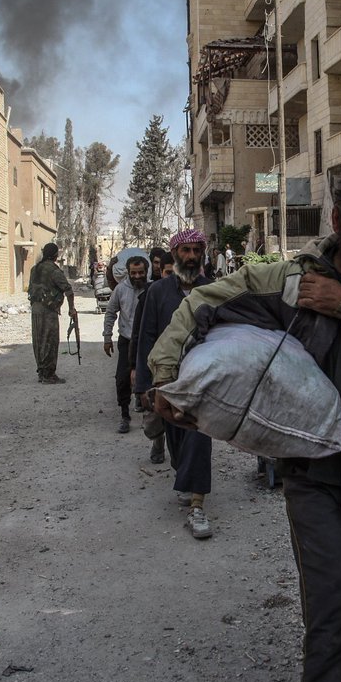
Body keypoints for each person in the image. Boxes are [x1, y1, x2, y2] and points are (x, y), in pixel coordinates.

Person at [148, 170, 341, 682]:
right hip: (313, 478)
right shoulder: (293, 281)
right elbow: (201, 304)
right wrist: (164, 374)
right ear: (337, 221)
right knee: (334, 604)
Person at [134, 229, 215, 539]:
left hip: (203, 377)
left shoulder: (213, 289)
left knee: (199, 432)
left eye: (196, 250)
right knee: (176, 437)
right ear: (175, 254)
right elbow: (147, 338)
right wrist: (144, 384)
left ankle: (196, 504)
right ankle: (184, 472)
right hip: (167, 378)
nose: (191, 256)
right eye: (186, 251)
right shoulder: (158, 292)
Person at [132, 257, 173, 463]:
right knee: (155, 415)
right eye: (167, 272)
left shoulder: (195, 293)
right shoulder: (151, 294)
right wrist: (135, 369)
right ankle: (158, 442)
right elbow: (140, 335)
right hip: (156, 365)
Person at [103, 255, 149, 433]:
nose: (137, 276)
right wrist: (107, 337)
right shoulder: (121, 289)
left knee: (147, 378)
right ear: (128, 273)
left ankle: (148, 414)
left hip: (146, 342)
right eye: (133, 273)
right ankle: (124, 415)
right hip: (126, 340)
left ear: (146, 272)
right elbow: (110, 313)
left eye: (140, 273)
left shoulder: (152, 289)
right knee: (122, 379)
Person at [27, 243, 77, 384]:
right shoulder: (54, 270)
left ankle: (42, 372)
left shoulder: (34, 269)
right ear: (55, 255)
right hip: (48, 310)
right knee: (50, 340)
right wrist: (72, 309)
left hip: (36, 308)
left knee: (38, 340)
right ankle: (49, 375)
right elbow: (68, 290)